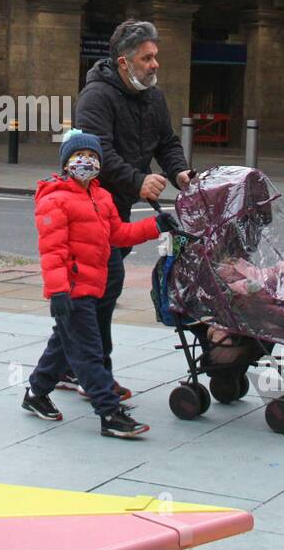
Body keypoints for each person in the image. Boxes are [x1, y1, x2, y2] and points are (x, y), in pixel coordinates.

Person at [21, 130, 177, 438]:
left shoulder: (101, 197)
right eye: (80, 156)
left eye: (93, 157)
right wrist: (58, 292)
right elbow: (52, 252)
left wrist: (155, 226)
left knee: (65, 346)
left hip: (94, 287)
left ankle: (35, 394)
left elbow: (118, 235)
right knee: (88, 352)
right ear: (66, 163)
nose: (87, 161)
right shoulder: (55, 200)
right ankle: (109, 413)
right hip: (73, 290)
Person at [71, 20, 191, 399]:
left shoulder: (153, 97)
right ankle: (96, 375)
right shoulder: (96, 97)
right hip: (91, 209)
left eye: (156, 56)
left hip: (117, 209)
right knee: (103, 288)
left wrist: (179, 171)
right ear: (124, 62)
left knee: (88, 296)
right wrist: (138, 180)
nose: (155, 64)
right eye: (147, 57)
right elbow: (96, 154)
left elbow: (167, 142)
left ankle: (70, 367)